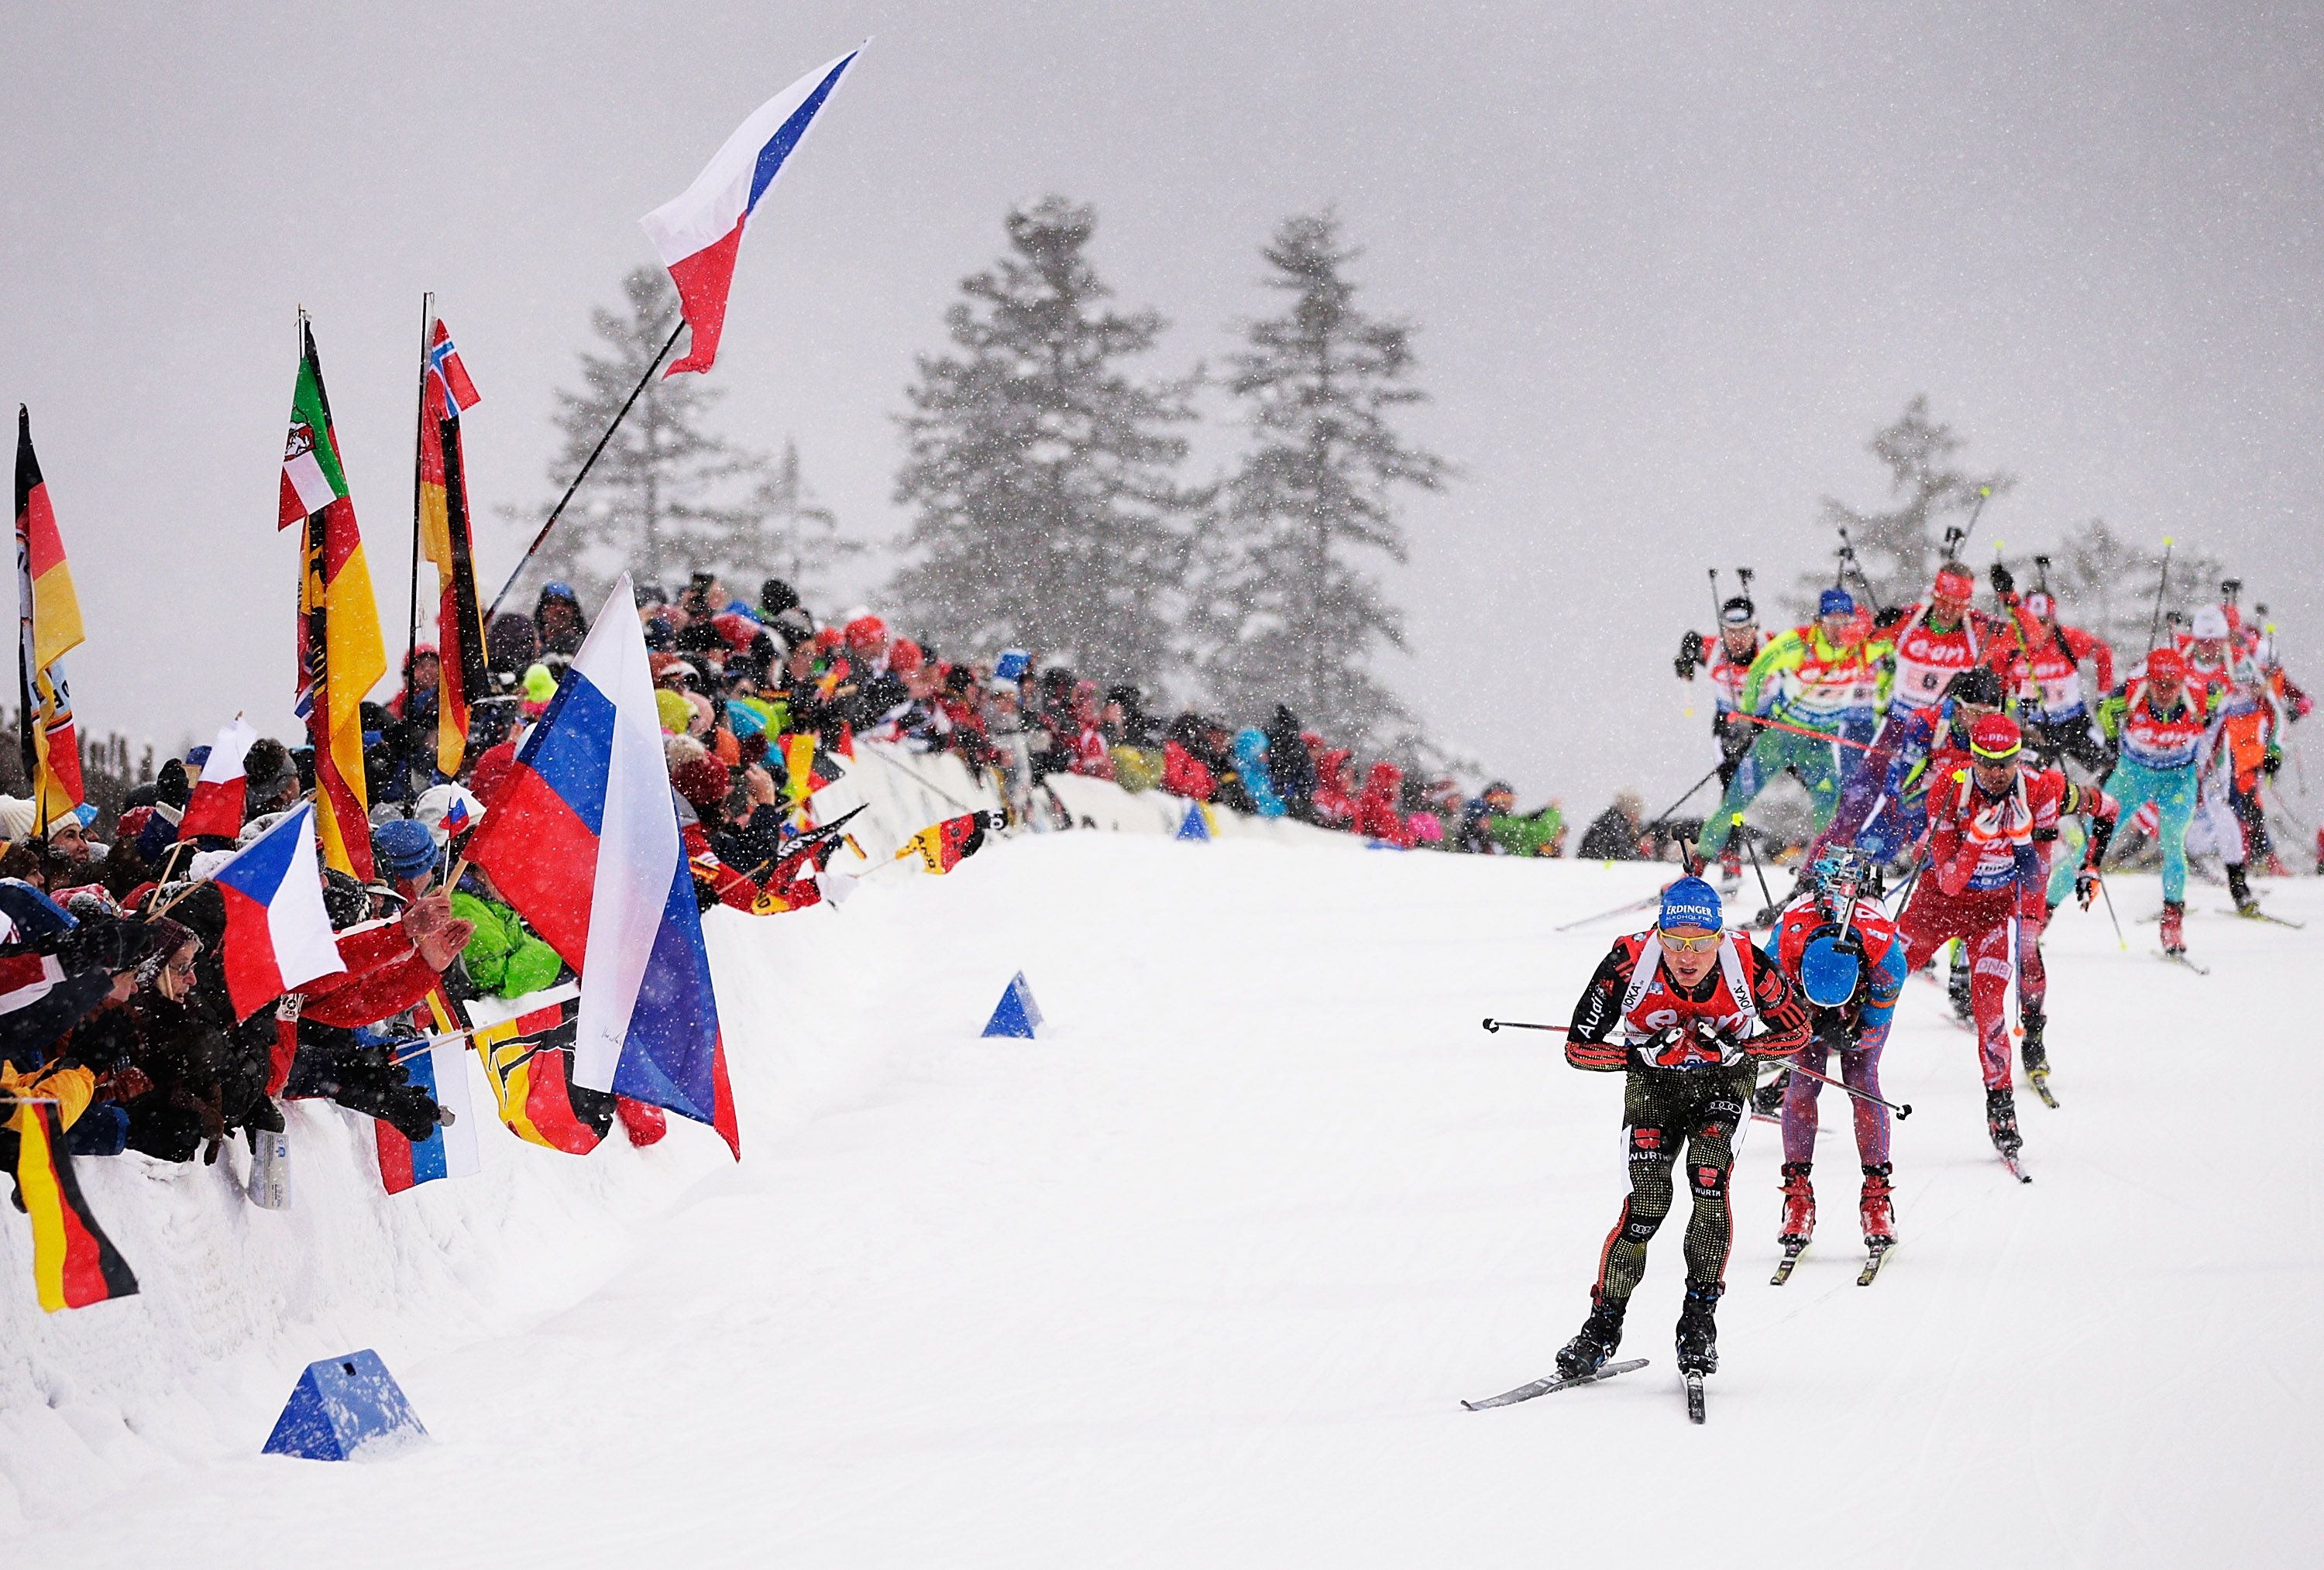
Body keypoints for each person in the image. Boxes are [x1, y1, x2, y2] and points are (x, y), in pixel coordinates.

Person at [1552, 878, 1810, 1382]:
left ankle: (1698, 1322)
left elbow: (1796, 1032)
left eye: (1700, 941)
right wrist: (1638, 1053)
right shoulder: (1629, 962)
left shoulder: (1748, 962)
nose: (1687, 956)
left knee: (1708, 1182)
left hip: (1722, 1084)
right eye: (1674, 941)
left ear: (1719, 935)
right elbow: (1577, 1047)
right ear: (1659, 935)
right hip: (1655, 1087)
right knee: (1646, 1206)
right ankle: (1602, 1327)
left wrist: (1740, 1050)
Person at [1894, 715, 2116, 1162]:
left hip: (1994, 911)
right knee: (1880, 981)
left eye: (2006, 763)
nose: (1996, 773)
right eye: (1986, 762)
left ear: (2019, 757)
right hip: (1936, 906)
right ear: (1973, 757)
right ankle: (1801, 1060)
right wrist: (1978, 837)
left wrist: (2088, 864)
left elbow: (2103, 812)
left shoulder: (2045, 789)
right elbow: (1953, 881)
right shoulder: (1949, 791)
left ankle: (2002, 1106)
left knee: (1993, 1005)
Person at [1769, 848, 1908, 1257]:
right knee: (1802, 1083)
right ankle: (1797, 1196)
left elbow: (1875, 1025)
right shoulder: (1782, 947)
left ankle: (1877, 1196)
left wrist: (1853, 1035)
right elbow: (1768, 1008)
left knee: (1861, 1080)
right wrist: (1806, 1022)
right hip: (1802, 1000)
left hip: (1862, 1004)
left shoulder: (1886, 958)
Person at [1693, 586, 1893, 866]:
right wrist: (1748, 717)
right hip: (1781, 736)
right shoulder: (1799, 645)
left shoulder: (1861, 648)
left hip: (1820, 742)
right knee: (1736, 799)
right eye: (1832, 622)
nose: (1839, 631)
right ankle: (1698, 863)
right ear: (1819, 621)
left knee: (1829, 807)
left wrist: (1884, 703)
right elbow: (1759, 670)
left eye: (1845, 623)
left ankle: (1825, 870)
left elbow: (1897, 649)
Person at [2095, 647, 2216, 952]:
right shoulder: (2130, 693)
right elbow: (2105, 712)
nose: (2165, 692)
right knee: (2093, 843)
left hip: (2177, 780)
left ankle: (2172, 921)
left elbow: (2222, 701)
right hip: (2132, 776)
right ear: (2147, 680)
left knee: (2172, 840)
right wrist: (2112, 742)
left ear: (2182, 682)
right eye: (2158, 684)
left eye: (2172, 685)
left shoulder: (2202, 694)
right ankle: (2041, 914)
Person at [1675, 598, 1766, 874]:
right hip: (1727, 729)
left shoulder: (1770, 647)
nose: (1737, 639)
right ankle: (1731, 857)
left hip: (1765, 728)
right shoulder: (1713, 649)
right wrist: (1685, 662)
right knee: (1732, 794)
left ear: (1755, 629)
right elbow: (1690, 642)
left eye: (1744, 631)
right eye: (1730, 631)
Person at [1989, 581, 2115, 775]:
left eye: (2044, 622)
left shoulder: (2066, 639)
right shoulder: (2013, 643)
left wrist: (2103, 696)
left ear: (2053, 619)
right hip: (2034, 728)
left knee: (2110, 769)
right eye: (2032, 621)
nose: (2039, 629)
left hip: (2074, 723)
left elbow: (2103, 652)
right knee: (2025, 776)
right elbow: (1995, 676)